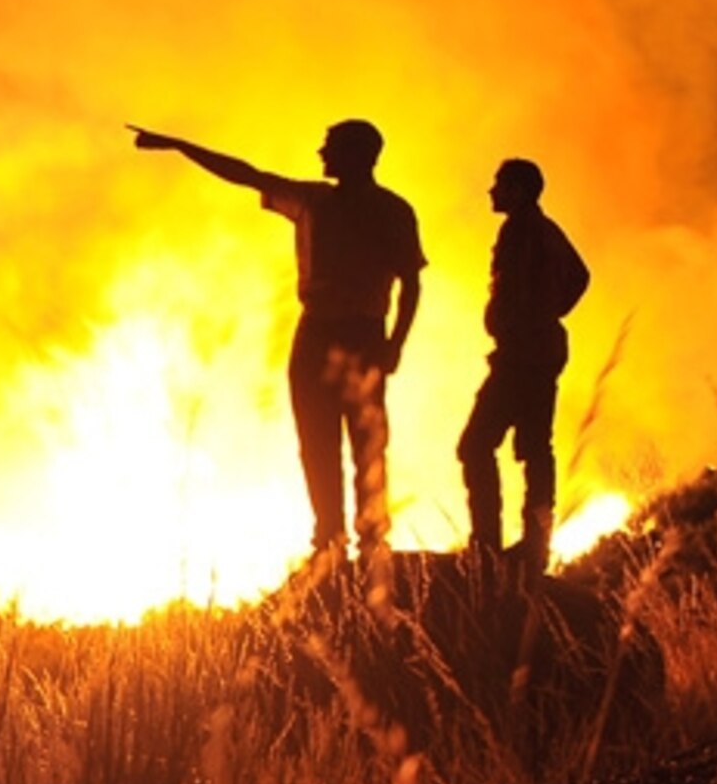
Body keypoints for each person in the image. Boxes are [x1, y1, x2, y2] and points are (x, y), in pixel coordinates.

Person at [131, 118, 425, 562]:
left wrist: (395, 343)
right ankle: (329, 539)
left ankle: (370, 540)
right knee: (317, 440)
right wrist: (179, 145)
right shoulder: (313, 200)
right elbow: (245, 173)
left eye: (330, 147)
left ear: (359, 154)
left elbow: (411, 283)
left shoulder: (389, 210)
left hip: (362, 334)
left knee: (366, 443)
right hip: (317, 332)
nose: (321, 154)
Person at [457, 157, 591, 574]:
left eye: (500, 184)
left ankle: (486, 546)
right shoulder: (545, 229)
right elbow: (580, 276)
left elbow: (566, 280)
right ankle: (535, 545)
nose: (492, 191)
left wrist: (525, 320)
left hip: (523, 354)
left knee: (476, 445)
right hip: (541, 349)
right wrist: (550, 312)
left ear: (518, 189)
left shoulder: (521, 229)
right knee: (535, 448)